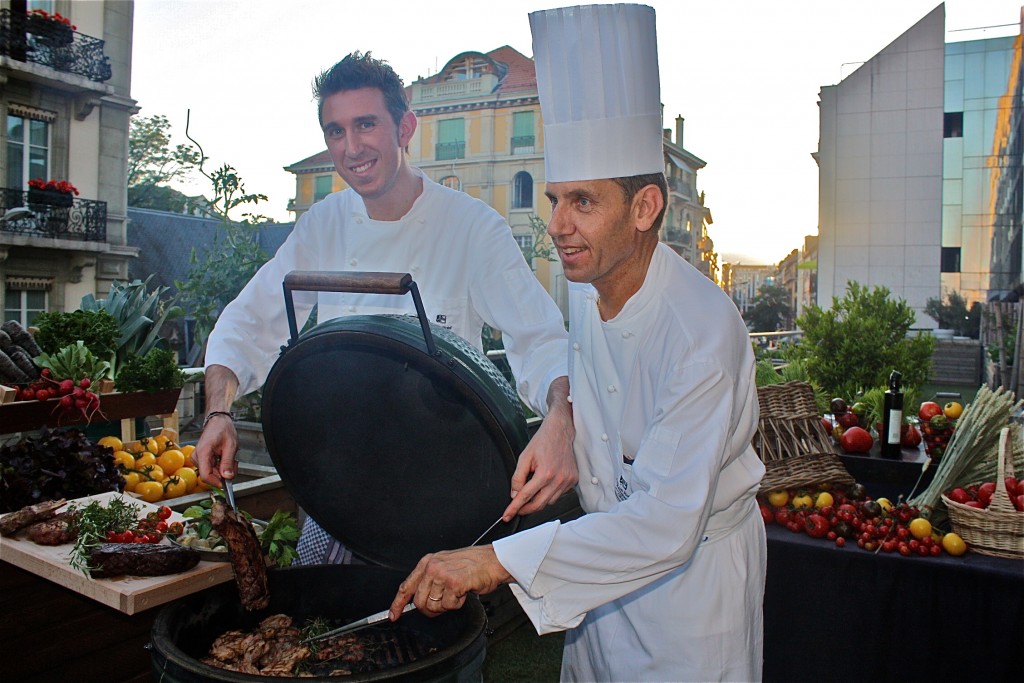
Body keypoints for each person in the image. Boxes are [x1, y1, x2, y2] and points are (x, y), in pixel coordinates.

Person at [388, 5, 767, 681]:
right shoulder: (588, 280)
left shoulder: (702, 336)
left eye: (582, 202)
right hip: (596, 574)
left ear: (646, 208)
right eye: (555, 197)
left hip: (689, 595)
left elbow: (660, 524)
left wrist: (491, 561)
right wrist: (563, 417)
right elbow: (582, 370)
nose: (557, 223)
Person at [195, 51, 577, 565]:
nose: (351, 148)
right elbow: (246, 322)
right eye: (335, 131)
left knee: (429, 628)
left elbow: (541, 339)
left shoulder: (471, 227)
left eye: (366, 124)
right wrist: (218, 411)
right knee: (324, 617)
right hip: (339, 480)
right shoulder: (323, 224)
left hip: (437, 484)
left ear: (405, 128)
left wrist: (561, 418)